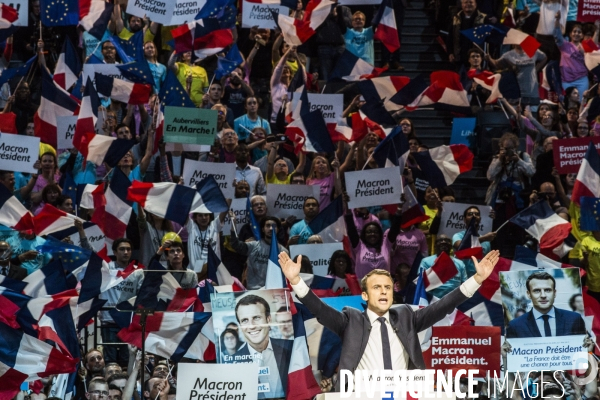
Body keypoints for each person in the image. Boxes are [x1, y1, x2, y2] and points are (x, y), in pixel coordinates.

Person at [278, 249, 500, 392]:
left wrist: (477, 279)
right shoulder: (350, 320)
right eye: (376, 287)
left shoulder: (407, 317)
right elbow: (319, 309)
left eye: (387, 287)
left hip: (405, 392)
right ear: (364, 295)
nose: (383, 291)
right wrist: (297, 281)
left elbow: (443, 306)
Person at [228, 294, 293, 398]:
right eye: (245, 320)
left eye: (257, 317)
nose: (252, 326)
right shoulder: (231, 364)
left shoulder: (291, 347)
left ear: (268, 319)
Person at [506, 271, 587, 338]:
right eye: (537, 291)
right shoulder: (515, 325)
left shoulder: (574, 319)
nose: (543, 295)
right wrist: (506, 356)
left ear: (554, 293)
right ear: (529, 294)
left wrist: (588, 350)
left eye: (547, 290)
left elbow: (583, 352)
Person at [229, 216, 289, 289]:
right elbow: (235, 244)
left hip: (275, 290)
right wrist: (233, 225)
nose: (271, 229)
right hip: (254, 290)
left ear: (278, 229)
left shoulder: (284, 252)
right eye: (267, 226)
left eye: (274, 226)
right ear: (263, 229)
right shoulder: (253, 246)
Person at [452, 206, 496, 277]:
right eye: (470, 214)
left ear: (480, 219)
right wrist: (483, 238)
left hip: (478, 279)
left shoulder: (486, 242)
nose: (474, 216)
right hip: (460, 278)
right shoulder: (458, 236)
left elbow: (487, 261)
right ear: (464, 219)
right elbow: (461, 247)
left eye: (477, 214)